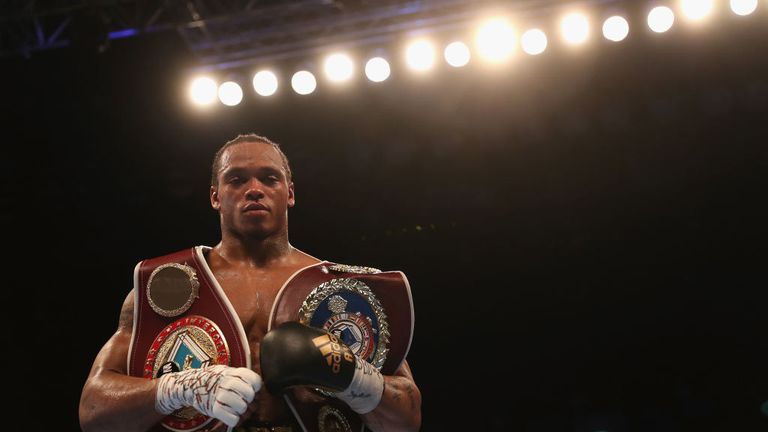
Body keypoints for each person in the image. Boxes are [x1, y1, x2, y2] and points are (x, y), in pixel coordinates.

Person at [79, 133, 422, 432]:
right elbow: (94, 411)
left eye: (269, 178)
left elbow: (406, 418)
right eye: (237, 179)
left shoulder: (347, 293)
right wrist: (180, 388)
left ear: (289, 193)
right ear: (215, 196)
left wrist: (352, 377)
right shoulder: (162, 288)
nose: (254, 189)